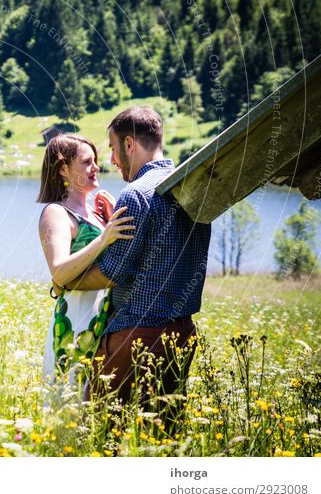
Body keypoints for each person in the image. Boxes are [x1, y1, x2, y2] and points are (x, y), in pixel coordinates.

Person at [64, 107, 211, 427]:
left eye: (114, 150)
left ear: (130, 144)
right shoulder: (192, 185)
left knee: (101, 430)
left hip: (137, 335)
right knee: (163, 434)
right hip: (182, 334)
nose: (113, 161)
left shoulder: (136, 195)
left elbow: (111, 273)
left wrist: (68, 282)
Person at [37, 134, 135, 393]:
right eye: (86, 162)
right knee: (68, 401)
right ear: (63, 169)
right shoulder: (55, 213)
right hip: (75, 320)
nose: (96, 168)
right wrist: (103, 238)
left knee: (97, 404)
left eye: (96, 161)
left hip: (105, 322)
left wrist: (111, 218)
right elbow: (59, 271)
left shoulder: (97, 213)